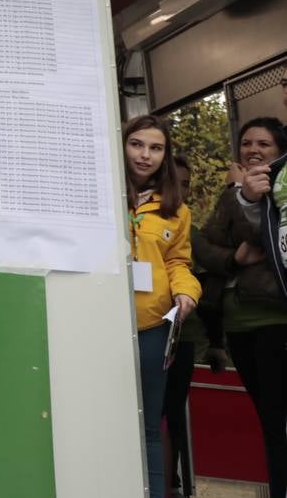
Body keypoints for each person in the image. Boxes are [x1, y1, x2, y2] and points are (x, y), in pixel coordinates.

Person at [198, 117, 287, 498]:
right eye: (246, 143)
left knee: (278, 421)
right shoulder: (232, 193)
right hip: (237, 323)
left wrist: (249, 197)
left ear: (280, 150)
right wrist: (233, 258)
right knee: (268, 421)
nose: (253, 150)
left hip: (275, 320)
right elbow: (203, 246)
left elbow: (263, 237)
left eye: (263, 144)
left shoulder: (277, 190)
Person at [122, 115, 200, 498]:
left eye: (155, 148)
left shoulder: (176, 209)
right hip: (98, 325)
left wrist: (187, 293)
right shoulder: (97, 195)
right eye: (136, 144)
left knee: (150, 427)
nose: (145, 155)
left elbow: (177, 262)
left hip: (152, 327)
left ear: (165, 156)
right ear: (122, 145)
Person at [165, 154, 227, 498]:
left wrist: (216, 342)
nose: (180, 189)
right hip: (143, 333)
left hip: (182, 338)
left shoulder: (191, 228)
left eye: (186, 183)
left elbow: (210, 280)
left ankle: (171, 484)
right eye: (174, 181)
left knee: (172, 414)